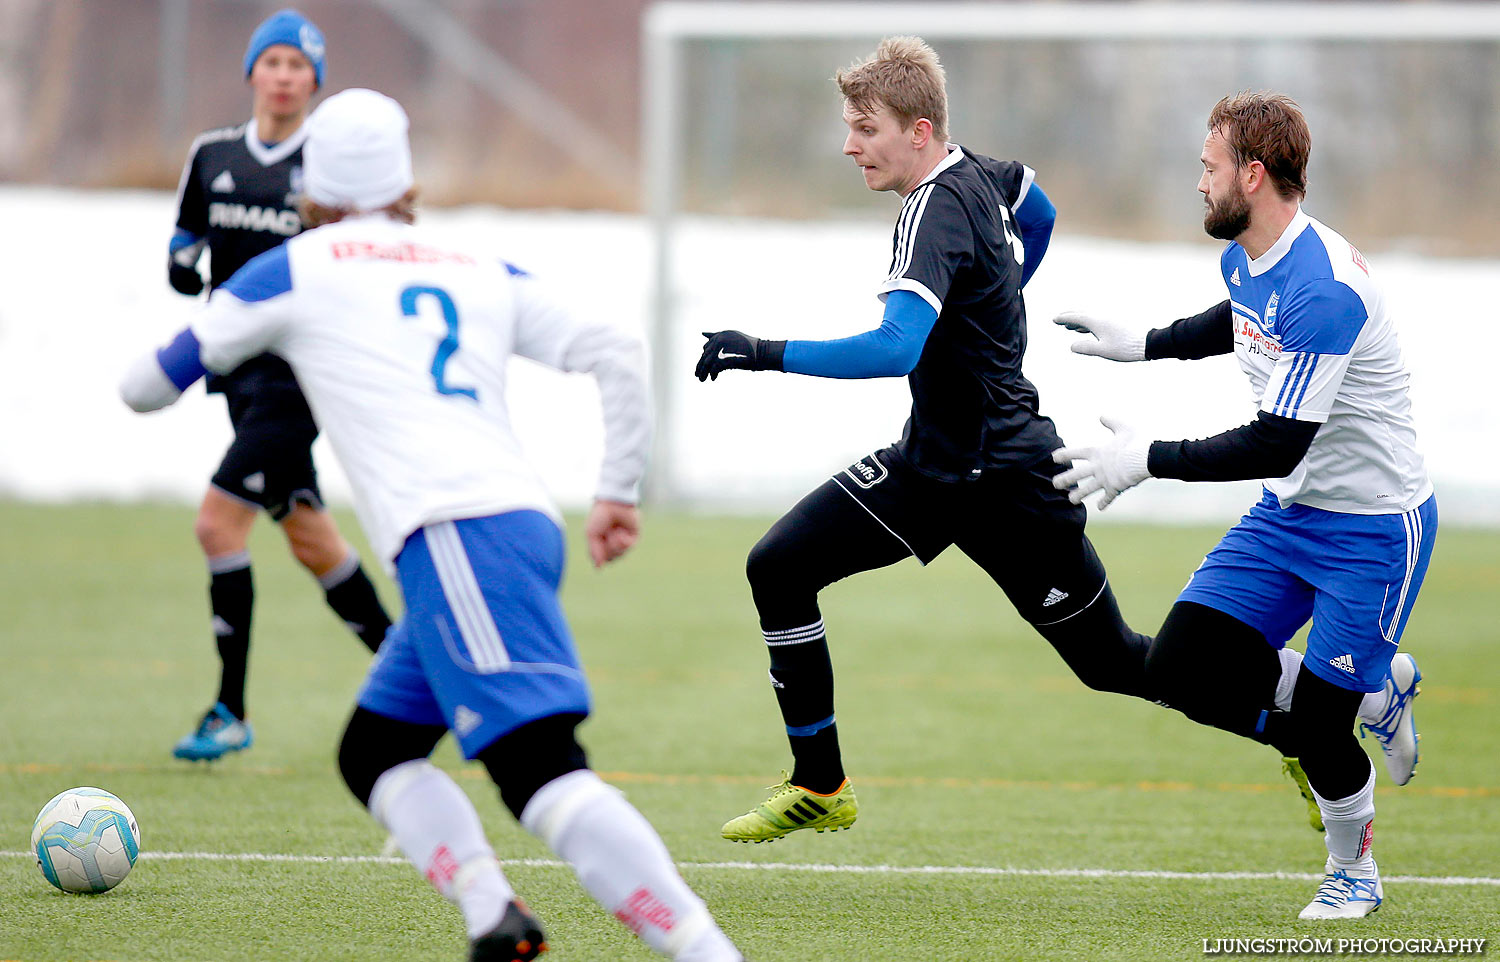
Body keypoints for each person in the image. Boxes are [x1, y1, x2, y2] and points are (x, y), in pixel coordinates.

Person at [124, 88, 745, 962]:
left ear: (312, 180)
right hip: (508, 526)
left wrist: (223, 331)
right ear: (403, 178)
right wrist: (616, 489)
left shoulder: (299, 266)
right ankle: (494, 915)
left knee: (540, 771)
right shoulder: (471, 262)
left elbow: (144, 386)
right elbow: (615, 349)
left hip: (457, 533)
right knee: (374, 752)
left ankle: (705, 952)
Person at [692, 36, 1188, 844]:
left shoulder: (931, 213)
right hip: (933, 467)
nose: (850, 145)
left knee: (1118, 664)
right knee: (778, 567)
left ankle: (1303, 731)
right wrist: (999, 292)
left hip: (1010, 481)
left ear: (919, 131)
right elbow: (1041, 209)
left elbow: (894, 348)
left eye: (866, 128)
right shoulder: (982, 171)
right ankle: (821, 783)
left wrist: (763, 351)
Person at [1050, 91, 1433, 920]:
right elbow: (1240, 318)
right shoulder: (1246, 255)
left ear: (1252, 176)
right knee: (1179, 668)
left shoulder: (1326, 291)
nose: (1199, 183)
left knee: (1320, 733)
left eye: (1209, 166)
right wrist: (1143, 344)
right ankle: (1375, 691)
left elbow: (1274, 443)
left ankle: (1353, 874)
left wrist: (1145, 459)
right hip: (1290, 516)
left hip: (1372, 531)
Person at [166, 8, 392, 762]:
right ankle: (412, 670)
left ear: (316, 82)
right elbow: (188, 232)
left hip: (297, 381)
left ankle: (229, 709)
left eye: (300, 66)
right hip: (235, 377)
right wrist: (180, 260)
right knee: (309, 536)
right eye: (275, 63)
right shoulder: (213, 153)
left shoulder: (324, 168)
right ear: (253, 72)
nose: (286, 76)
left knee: (215, 524)